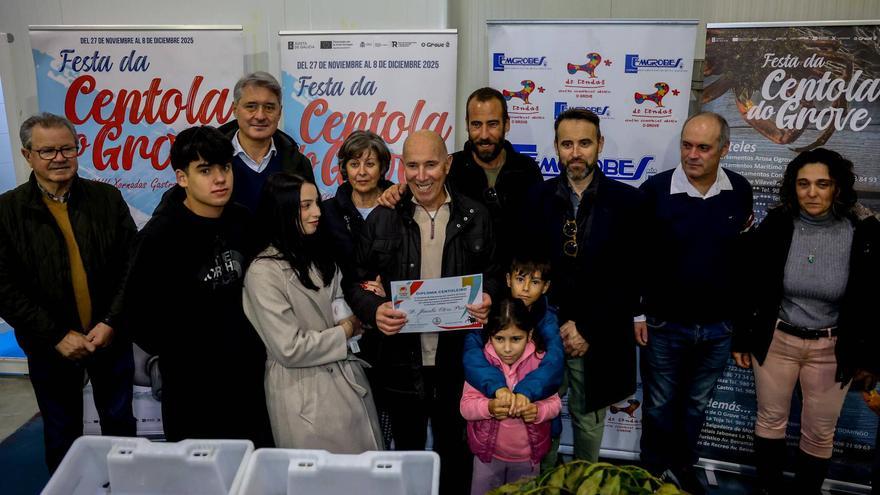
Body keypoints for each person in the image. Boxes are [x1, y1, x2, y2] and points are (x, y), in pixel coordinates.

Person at [345, 130, 498, 495]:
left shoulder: (476, 215)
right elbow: (355, 282)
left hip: (458, 362)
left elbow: (494, 273)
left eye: (431, 164)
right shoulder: (382, 218)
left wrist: (489, 296)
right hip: (400, 363)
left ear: (447, 165)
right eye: (412, 165)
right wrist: (374, 310)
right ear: (402, 167)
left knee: (455, 453)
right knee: (407, 456)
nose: (422, 175)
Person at [731, 148, 880, 495]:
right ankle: (768, 490)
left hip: (833, 349)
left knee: (819, 432)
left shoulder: (864, 231)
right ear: (793, 188)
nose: (812, 192)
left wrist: (870, 357)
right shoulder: (778, 223)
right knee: (770, 420)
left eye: (822, 184)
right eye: (803, 184)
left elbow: (874, 299)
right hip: (777, 342)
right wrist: (743, 338)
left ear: (837, 188)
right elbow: (751, 285)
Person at [0, 113, 136, 471]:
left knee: (121, 425)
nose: (59, 158)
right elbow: (4, 288)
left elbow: (131, 266)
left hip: (109, 338)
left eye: (67, 148)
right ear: (27, 155)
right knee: (62, 433)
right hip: (50, 345)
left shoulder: (107, 198)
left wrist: (111, 322)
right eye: (47, 151)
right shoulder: (7, 211)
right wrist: (56, 334)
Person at [125, 125, 273, 447]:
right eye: (205, 170)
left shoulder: (242, 220)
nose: (220, 179)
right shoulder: (159, 236)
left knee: (254, 463)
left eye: (225, 168)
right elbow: (136, 315)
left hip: (248, 377)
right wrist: (183, 348)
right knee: (202, 468)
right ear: (182, 178)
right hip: (192, 388)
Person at [636, 111, 754, 495]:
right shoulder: (654, 191)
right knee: (658, 405)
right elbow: (634, 257)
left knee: (696, 406)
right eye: (687, 145)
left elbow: (743, 261)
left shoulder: (740, 190)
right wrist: (637, 312)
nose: (692, 154)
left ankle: (682, 467)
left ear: (724, 149)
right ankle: (652, 473)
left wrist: (739, 328)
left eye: (703, 147)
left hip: (719, 328)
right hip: (664, 325)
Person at [525, 108, 643, 463]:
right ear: (556, 147)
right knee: (539, 416)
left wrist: (585, 328)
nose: (575, 153)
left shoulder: (627, 202)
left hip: (598, 334)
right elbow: (526, 269)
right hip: (543, 331)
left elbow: (630, 278)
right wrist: (551, 325)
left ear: (600, 144)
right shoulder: (536, 199)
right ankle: (543, 483)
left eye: (584, 143)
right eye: (567, 144)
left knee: (589, 422)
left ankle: (583, 482)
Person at [242, 173, 383, 452]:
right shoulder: (263, 272)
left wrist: (365, 304)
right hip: (304, 394)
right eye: (305, 206)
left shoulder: (320, 255)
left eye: (316, 203)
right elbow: (290, 348)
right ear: (282, 210)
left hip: (347, 382)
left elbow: (342, 308)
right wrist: (345, 331)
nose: (317, 212)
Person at [378, 87, 542, 266]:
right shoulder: (450, 168)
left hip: (518, 278)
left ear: (507, 124)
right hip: (466, 278)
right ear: (467, 124)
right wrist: (398, 191)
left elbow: (538, 231)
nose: (484, 134)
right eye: (476, 124)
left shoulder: (527, 170)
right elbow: (421, 189)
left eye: (492, 124)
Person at [461, 256, 564, 467]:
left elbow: (554, 362)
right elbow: (471, 354)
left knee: (543, 461)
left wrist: (526, 391)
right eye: (520, 279)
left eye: (535, 282)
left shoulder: (547, 318)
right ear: (508, 280)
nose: (525, 288)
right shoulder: (490, 310)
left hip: (535, 422)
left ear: (545, 287)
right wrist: (496, 386)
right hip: (492, 430)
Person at [461, 297, 562, 495]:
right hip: (487, 458)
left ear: (529, 334)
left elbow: (555, 404)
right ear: (490, 335)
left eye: (516, 339)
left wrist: (537, 411)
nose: (507, 348)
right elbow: (466, 406)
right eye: (499, 339)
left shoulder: (540, 361)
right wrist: (489, 407)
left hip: (528, 459)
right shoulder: (482, 363)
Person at [218, 71, 315, 211]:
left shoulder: (299, 163)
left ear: (279, 112)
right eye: (251, 106)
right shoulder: (210, 158)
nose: (260, 116)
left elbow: (309, 215)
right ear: (235, 109)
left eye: (269, 107)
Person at [323, 130, 395, 278]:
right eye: (354, 164)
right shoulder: (327, 211)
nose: (362, 172)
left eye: (370, 164)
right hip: (342, 291)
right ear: (345, 168)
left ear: (382, 167)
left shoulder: (399, 207)